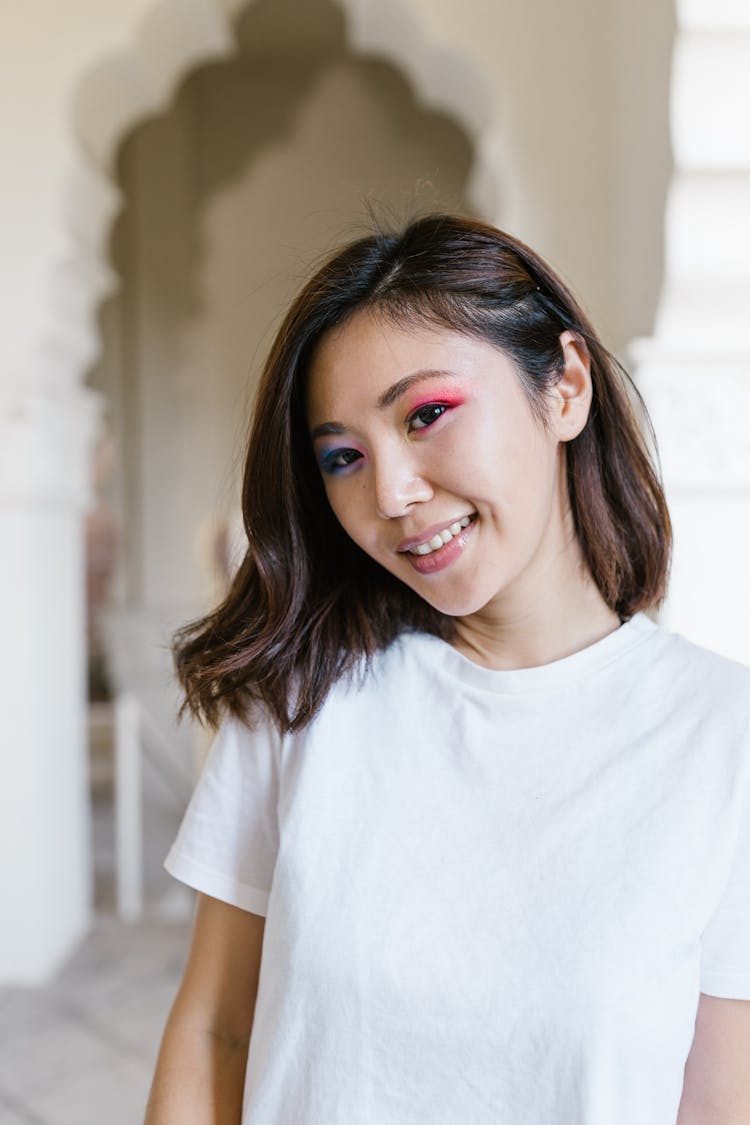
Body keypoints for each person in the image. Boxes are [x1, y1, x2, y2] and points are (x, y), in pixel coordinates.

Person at [144, 214, 750, 1124]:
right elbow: (215, 1031)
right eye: (342, 456)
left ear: (567, 388)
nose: (389, 493)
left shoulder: (722, 737)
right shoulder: (302, 694)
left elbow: (716, 1104)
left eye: (426, 414)